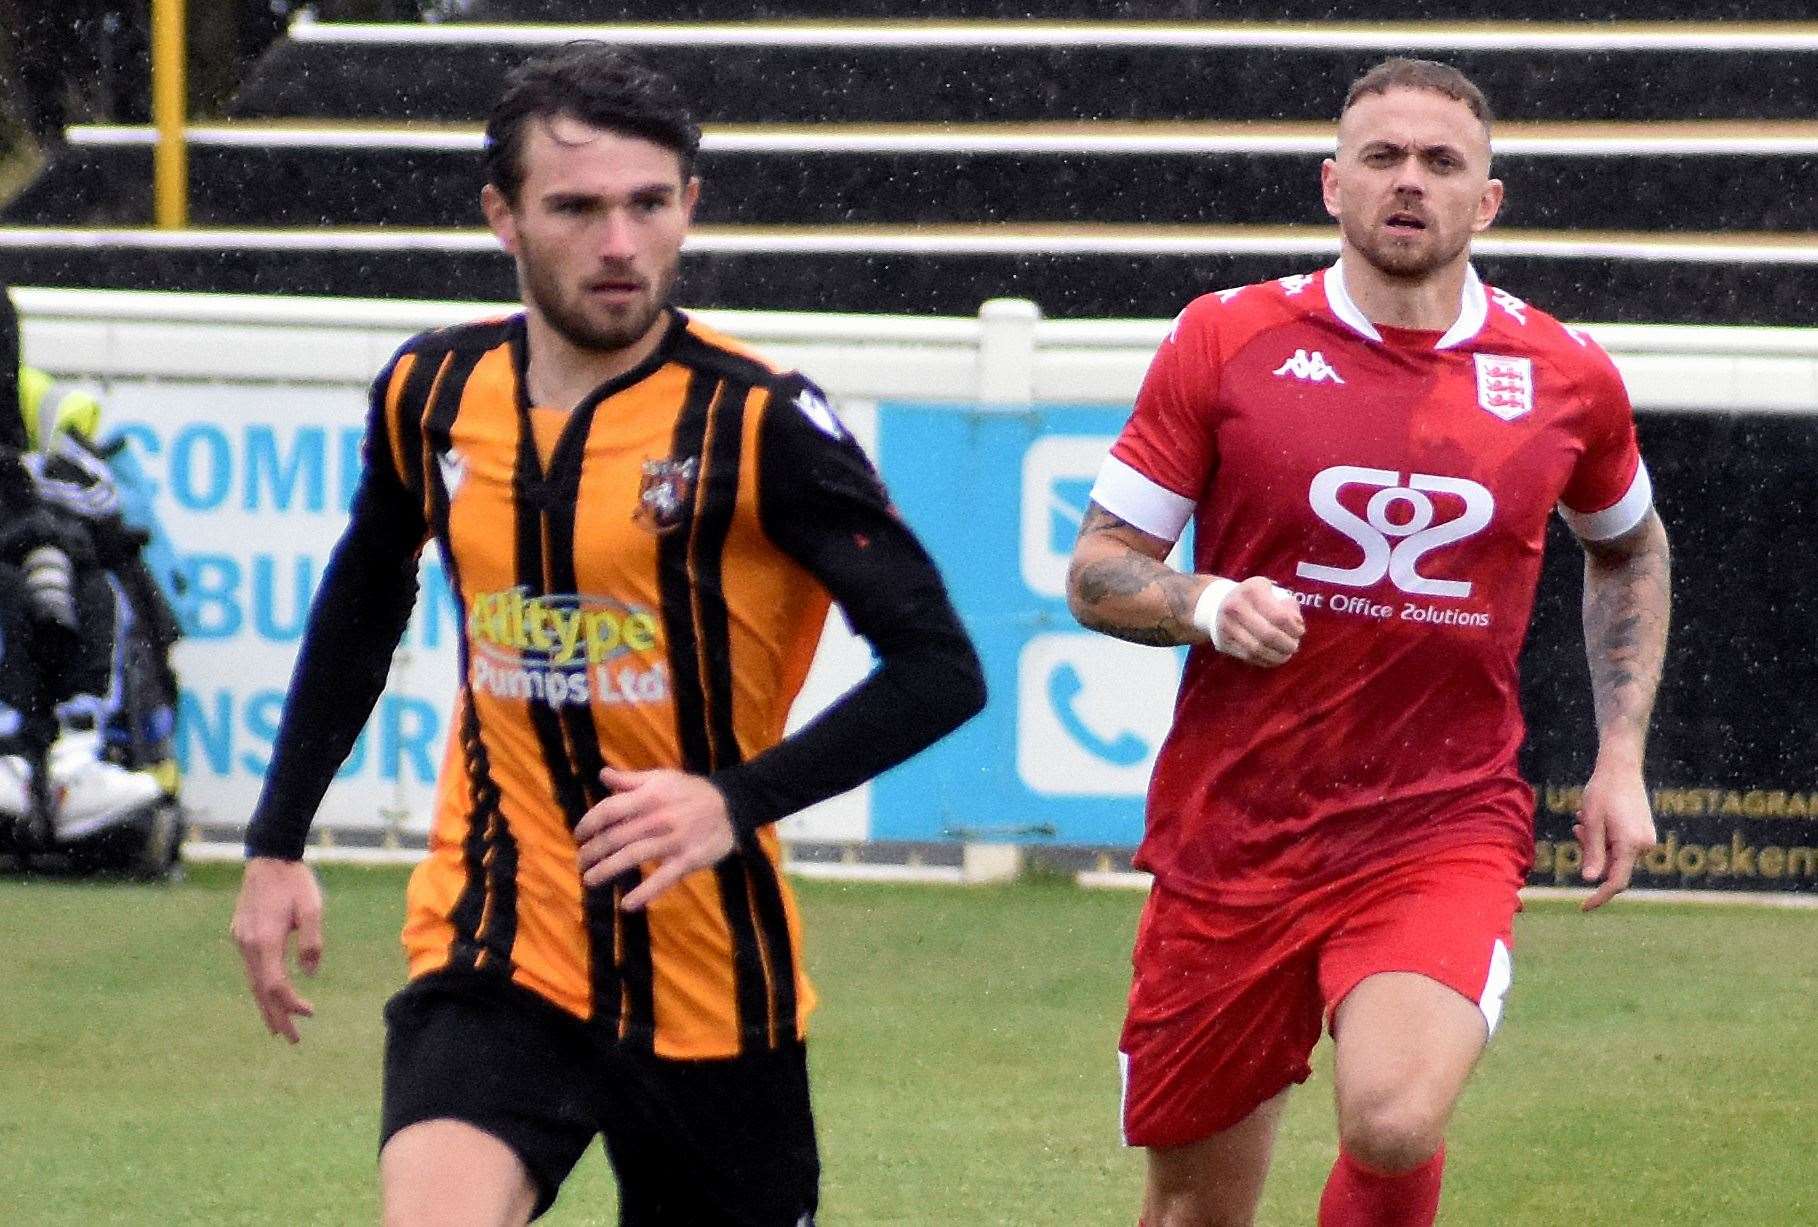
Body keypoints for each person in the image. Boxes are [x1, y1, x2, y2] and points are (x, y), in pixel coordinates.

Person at [229, 42, 985, 1226]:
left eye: (647, 204)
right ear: (504, 216)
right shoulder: (431, 394)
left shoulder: (759, 421)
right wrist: (276, 841)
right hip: (495, 936)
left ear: (690, 205)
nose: (619, 243)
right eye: (576, 207)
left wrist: (730, 800)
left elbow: (942, 670)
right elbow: (366, 593)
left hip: (709, 972)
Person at [1067, 58, 1670, 1227]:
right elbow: (1097, 568)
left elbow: (1628, 546)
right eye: (1384, 158)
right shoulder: (1226, 339)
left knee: (1393, 1119)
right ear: (1331, 185)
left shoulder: (1564, 374)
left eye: (1442, 162)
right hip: (1235, 833)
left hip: (1437, 822)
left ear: (1486, 201)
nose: (1411, 182)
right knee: (1194, 1211)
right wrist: (1203, 603)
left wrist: (1622, 755)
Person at [0, 284, 167, 842]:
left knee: (95, 587)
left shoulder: (27, 404)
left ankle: (69, 759)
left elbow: (100, 498)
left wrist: (34, 519)